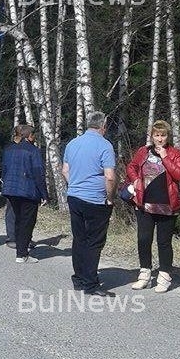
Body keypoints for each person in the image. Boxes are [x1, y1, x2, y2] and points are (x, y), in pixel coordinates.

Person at [126, 120, 180, 293]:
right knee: (144, 240)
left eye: (163, 135)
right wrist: (135, 179)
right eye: (156, 135)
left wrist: (165, 157)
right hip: (144, 204)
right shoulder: (143, 151)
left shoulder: (175, 153)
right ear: (152, 136)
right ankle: (144, 274)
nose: (159, 139)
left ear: (168, 136)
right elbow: (132, 166)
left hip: (168, 206)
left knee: (164, 243)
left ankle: (164, 276)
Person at [62, 111, 116, 296]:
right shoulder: (105, 146)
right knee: (94, 241)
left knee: (79, 238)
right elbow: (109, 177)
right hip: (95, 199)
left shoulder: (72, 143)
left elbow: (65, 170)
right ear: (103, 126)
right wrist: (110, 197)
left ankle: (78, 278)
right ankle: (90, 283)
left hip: (75, 196)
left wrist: (75, 184)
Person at [1, 124, 48, 263]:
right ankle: (22, 254)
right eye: (33, 135)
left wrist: (6, 183)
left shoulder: (9, 149)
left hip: (11, 188)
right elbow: (38, 172)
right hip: (28, 190)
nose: (34, 138)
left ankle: (19, 248)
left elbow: (4, 168)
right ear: (29, 136)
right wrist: (44, 194)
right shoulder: (33, 151)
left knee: (18, 219)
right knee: (27, 221)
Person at [3, 125, 39, 250]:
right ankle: (14, 238)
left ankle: (22, 238)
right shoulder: (13, 148)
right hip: (18, 184)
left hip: (18, 184)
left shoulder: (16, 148)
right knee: (15, 213)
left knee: (21, 214)